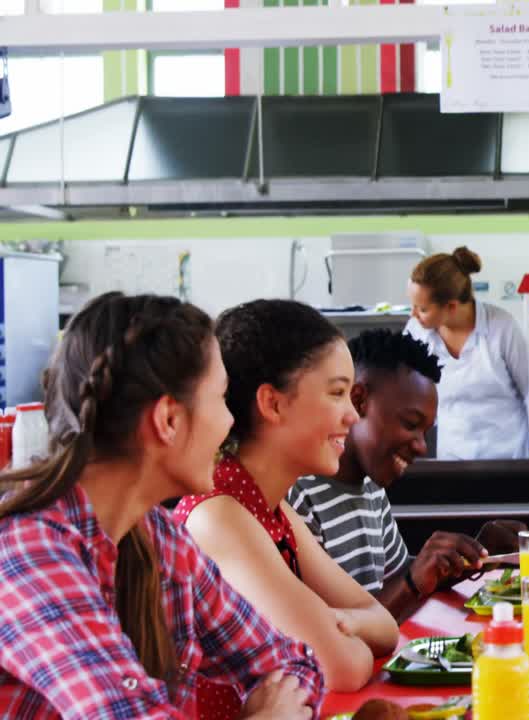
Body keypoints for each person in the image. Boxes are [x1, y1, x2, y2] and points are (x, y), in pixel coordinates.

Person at [0, 292, 321, 719]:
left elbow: (295, 663)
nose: (229, 423)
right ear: (169, 420)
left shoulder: (164, 542)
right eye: (222, 399)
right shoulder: (26, 555)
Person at [174, 300, 400, 700]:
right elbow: (340, 668)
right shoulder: (220, 514)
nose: (352, 415)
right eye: (337, 393)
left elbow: (385, 626)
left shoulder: (273, 511)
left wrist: (344, 623)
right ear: (273, 403)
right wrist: (345, 630)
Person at [286, 329, 525, 624]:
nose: (422, 446)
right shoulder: (299, 495)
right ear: (359, 401)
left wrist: (473, 557)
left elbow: (394, 581)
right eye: (410, 424)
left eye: (425, 432)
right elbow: (333, 629)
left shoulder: (371, 489)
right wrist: (414, 580)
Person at [404, 246, 529, 460]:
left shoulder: (502, 327)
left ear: (451, 306)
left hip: (510, 461)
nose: (414, 315)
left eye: (422, 309)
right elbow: (402, 392)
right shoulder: (417, 333)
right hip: (453, 459)